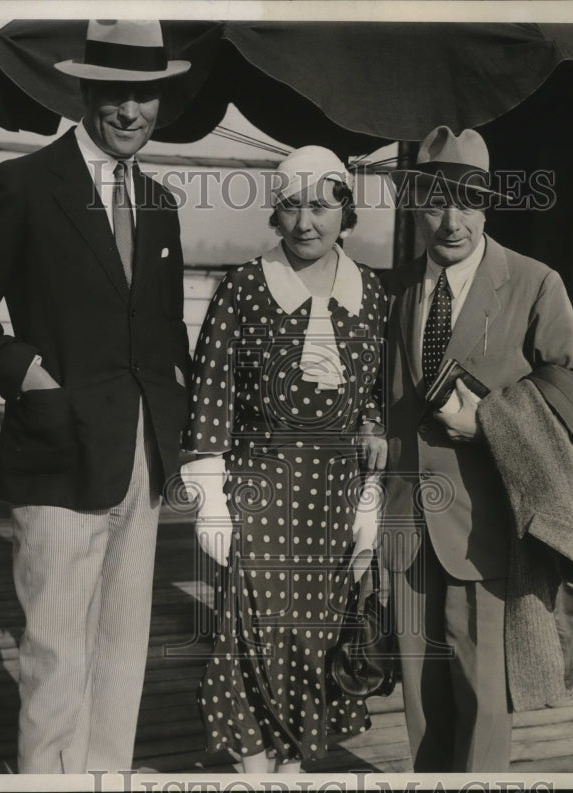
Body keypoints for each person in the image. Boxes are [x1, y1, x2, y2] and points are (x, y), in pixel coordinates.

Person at [0, 20, 192, 774]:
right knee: (53, 651)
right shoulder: (22, 183)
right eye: (117, 93)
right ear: (84, 90)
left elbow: (163, 334)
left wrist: (176, 414)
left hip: (140, 456)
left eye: (146, 95)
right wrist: (27, 372)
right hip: (54, 450)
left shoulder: (163, 202)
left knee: (121, 647)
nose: (132, 112)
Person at [379, 125, 573, 772]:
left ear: (488, 202)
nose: (452, 220)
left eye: (469, 200)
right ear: (415, 204)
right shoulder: (394, 289)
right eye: (435, 201)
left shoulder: (534, 285)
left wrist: (495, 423)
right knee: (421, 701)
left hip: (487, 530)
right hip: (405, 525)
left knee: (483, 701)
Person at [180, 146, 388, 773]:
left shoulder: (372, 294)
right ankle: (252, 767)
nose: (306, 222)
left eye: (322, 206)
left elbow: (377, 396)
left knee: (317, 638)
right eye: (292, 205)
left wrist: (371, 485)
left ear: (345, 212)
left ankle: (293, 768)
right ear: (274, 213)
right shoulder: (243, 288)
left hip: (335, 497)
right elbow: (209, 393)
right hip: (260, 488)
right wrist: (210, 501)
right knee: (252, 631)